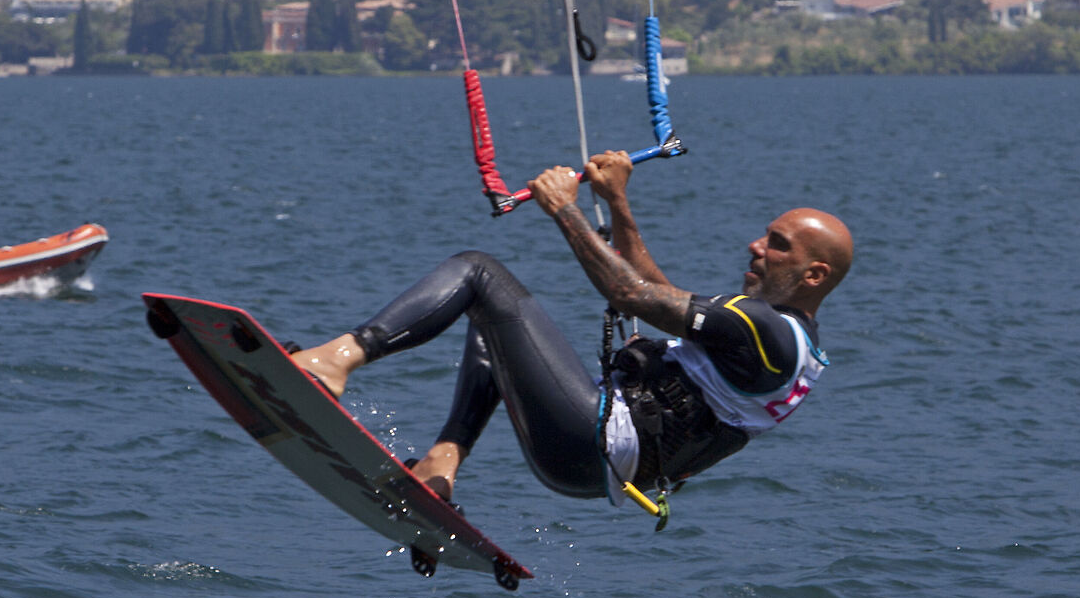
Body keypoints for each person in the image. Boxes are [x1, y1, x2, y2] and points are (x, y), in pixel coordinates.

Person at [292, 151, 851, 513]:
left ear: (814, 274)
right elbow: (653, 290)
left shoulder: (764, 330)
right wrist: (617, 203)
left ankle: (335, 361)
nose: (757, 246)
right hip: (594, 469)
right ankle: (442, 462)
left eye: (777, 244)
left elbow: (631, 296)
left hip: (591, 440)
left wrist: (565, 209)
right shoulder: (793, 348)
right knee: (494, 327)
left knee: (478, 272)